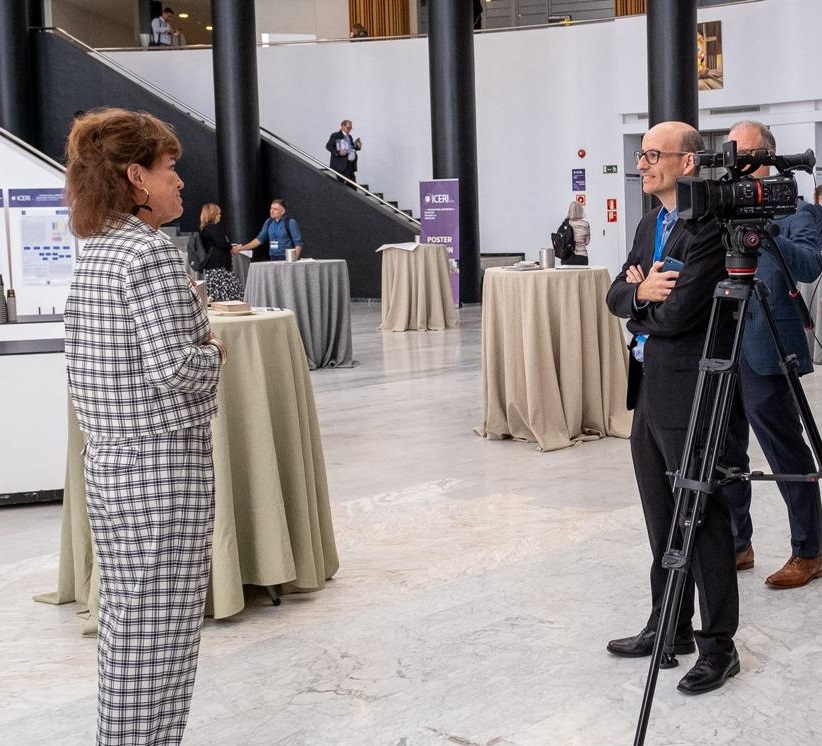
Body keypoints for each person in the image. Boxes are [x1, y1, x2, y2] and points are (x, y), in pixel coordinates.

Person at [63, 108, 225, 745]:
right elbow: (175, 367)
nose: (179, 182)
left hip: (112, 463)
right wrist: (213, 351)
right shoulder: (150, 253)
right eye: (169, 169)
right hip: (162, 466)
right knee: (161, 633)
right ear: (136, 176)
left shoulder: (98, 250)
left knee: (130, 625)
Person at [605, 120, 740, 695]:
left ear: (688, 163)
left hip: (692, 387)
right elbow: (616, 291)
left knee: (701, 518)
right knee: (661, 515)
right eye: (641, 154)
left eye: (655, 155)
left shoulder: (708, 228)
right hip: (649, 385)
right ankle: (670, 626)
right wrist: (639, 294)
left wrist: (641, 311)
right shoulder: (649, 221)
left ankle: (718, 647)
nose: (643, 163)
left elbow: (684, 313)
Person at [721, 120, 822, 588]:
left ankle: (810, 550)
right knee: (725, 450)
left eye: (742, 152)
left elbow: (808, 265)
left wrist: (766, 230)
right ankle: (738, 544)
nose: (733, 160)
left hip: (768, 345)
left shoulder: (798, 212)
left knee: (785, 450)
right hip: (722, 340)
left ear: (766, 155)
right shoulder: (723, 208)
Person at [235, 198, 303, 262]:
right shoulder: (269, 222)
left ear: (282, 211)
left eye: (275, 209)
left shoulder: (290, 222)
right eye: (271, 208)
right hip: (273, 257)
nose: (272, 211)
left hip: (286, 257)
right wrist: (241, 249)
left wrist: (294, 260)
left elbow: (298, 243)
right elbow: (259, 240)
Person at [199, 203, 243, 301]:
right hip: (219, 266)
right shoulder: (212, 228)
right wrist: (231, 247)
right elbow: (221, 243)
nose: (220, 216)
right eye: (218, 214)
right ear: (213, 215)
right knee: (228, 291)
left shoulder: (204, 229)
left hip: (212, 266)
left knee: (215, 292)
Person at [563, 200, 590, 265]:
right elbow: (587, 242)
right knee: (582, 275)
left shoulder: (565, 224)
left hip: (567, 256)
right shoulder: (586, 224)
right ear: (581, 211)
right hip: (582, 256)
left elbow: (562, 242)